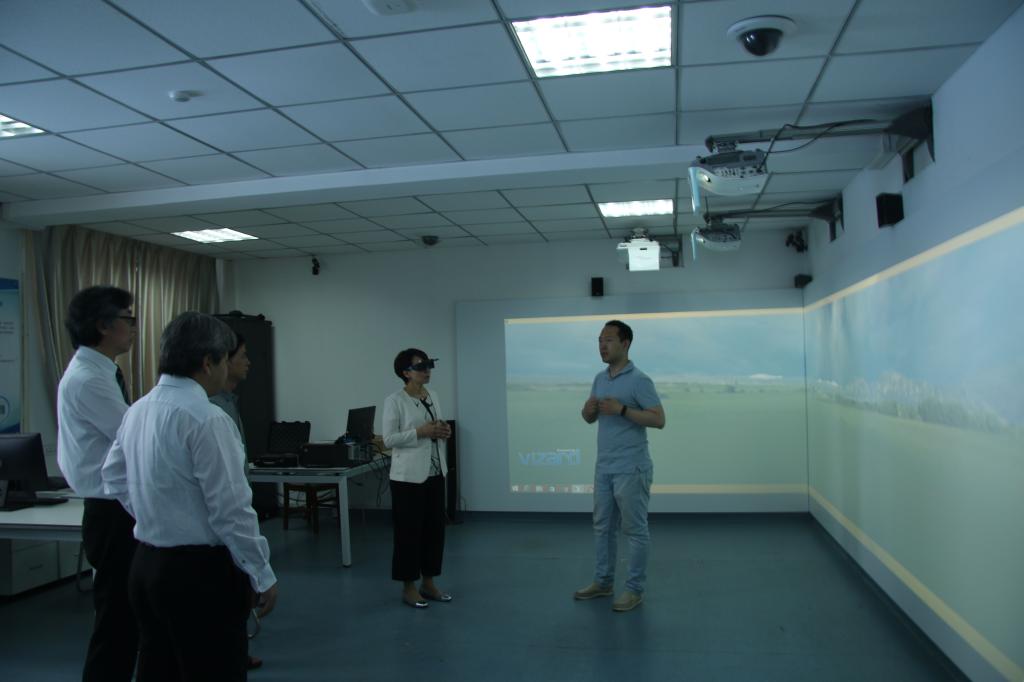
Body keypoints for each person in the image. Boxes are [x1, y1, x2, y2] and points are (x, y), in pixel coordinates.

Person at [102, 312, 278, 681]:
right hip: (199, 574)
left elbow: (113, 477)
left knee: (157, 668)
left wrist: (155, 512)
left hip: (146, 566)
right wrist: (261, 572)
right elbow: (231, 510)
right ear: (208, 362)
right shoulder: (207, 419)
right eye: (225, 359)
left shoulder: (138, 410)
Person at [56, 285, 139, 681]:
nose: (134, 328)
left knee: (126, 614)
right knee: (116, 619)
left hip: (114, 507)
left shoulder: (100, 371)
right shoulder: (90, 379)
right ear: (104, 326)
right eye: (128, 319)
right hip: (110, 511)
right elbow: (132, 437)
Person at [575, 320, 665, 612]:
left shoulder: (639, 380)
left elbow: (659, 419)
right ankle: (603, 582)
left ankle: (634, 590)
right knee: (602, 528)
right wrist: (587, 411)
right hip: (604, 467)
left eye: (609, 340)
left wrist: (622, 409)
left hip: (632, 468)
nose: (602, 345)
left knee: (635, 530)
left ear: (625, 344)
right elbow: (589, 418)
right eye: (599, 340)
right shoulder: (599, 379)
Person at [209, 332, 263, 672]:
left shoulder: (229, 400)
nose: (248, 362)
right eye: (242, 355)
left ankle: (236, 649)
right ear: (221, 361)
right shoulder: (212, 410)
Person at [382, 349, 453, 609]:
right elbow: (389, 439)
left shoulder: (432, 395)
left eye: (429, 365)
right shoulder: (395, 401)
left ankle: (429, 582)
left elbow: (435, 426)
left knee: (435, 531)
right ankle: (409, 587)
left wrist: (443, 430)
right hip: (408, 478)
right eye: (421, 366)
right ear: (406, 373)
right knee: (408, 533)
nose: (427, 370)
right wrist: (420, 432)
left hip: (435, 472)